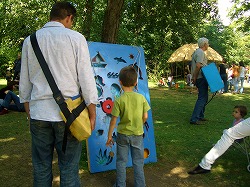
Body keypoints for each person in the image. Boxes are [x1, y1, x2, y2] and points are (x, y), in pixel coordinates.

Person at [19, 2, 98, 186]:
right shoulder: (76, 38)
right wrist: (92, 112)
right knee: (69, 167)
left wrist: (30, 111)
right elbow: (86, 79)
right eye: (72, 20)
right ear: (69, 17)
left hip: (39, 114)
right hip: (70, 116)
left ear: (51, 16)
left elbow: (24, 83)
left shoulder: (30, 41)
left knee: (40, 166)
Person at [106, 66, 150, 187]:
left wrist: (109, 136)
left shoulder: (119, 100)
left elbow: (113, 121)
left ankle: (120, 185)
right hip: (137, 135)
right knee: (138, 162)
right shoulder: (141, 98)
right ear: (136, 82)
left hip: (122, 135)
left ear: (120, 82)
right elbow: (145, 116)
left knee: (121, 161)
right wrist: (139, 124)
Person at [188, 105, 248, 175]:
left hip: (238, 139)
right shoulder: (236, 120)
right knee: (227, 134)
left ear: (242, 114)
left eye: (236, 112)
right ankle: (206, 164)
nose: (233, 113)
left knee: (228, 134)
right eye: (233, 111)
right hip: (236, 136)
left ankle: (206, 164)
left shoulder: (242, 122)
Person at [190, 37, 209, 125]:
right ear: (204, 44)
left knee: (204, 97)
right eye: (207, 43)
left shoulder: (197, 52)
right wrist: (195, 77)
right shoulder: (200, 52)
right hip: (201, 78)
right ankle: (195, 118)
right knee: (202, 98)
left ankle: (200, 115)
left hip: (199, 77)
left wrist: (194, 77)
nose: (208, 45)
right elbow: (198, 66)